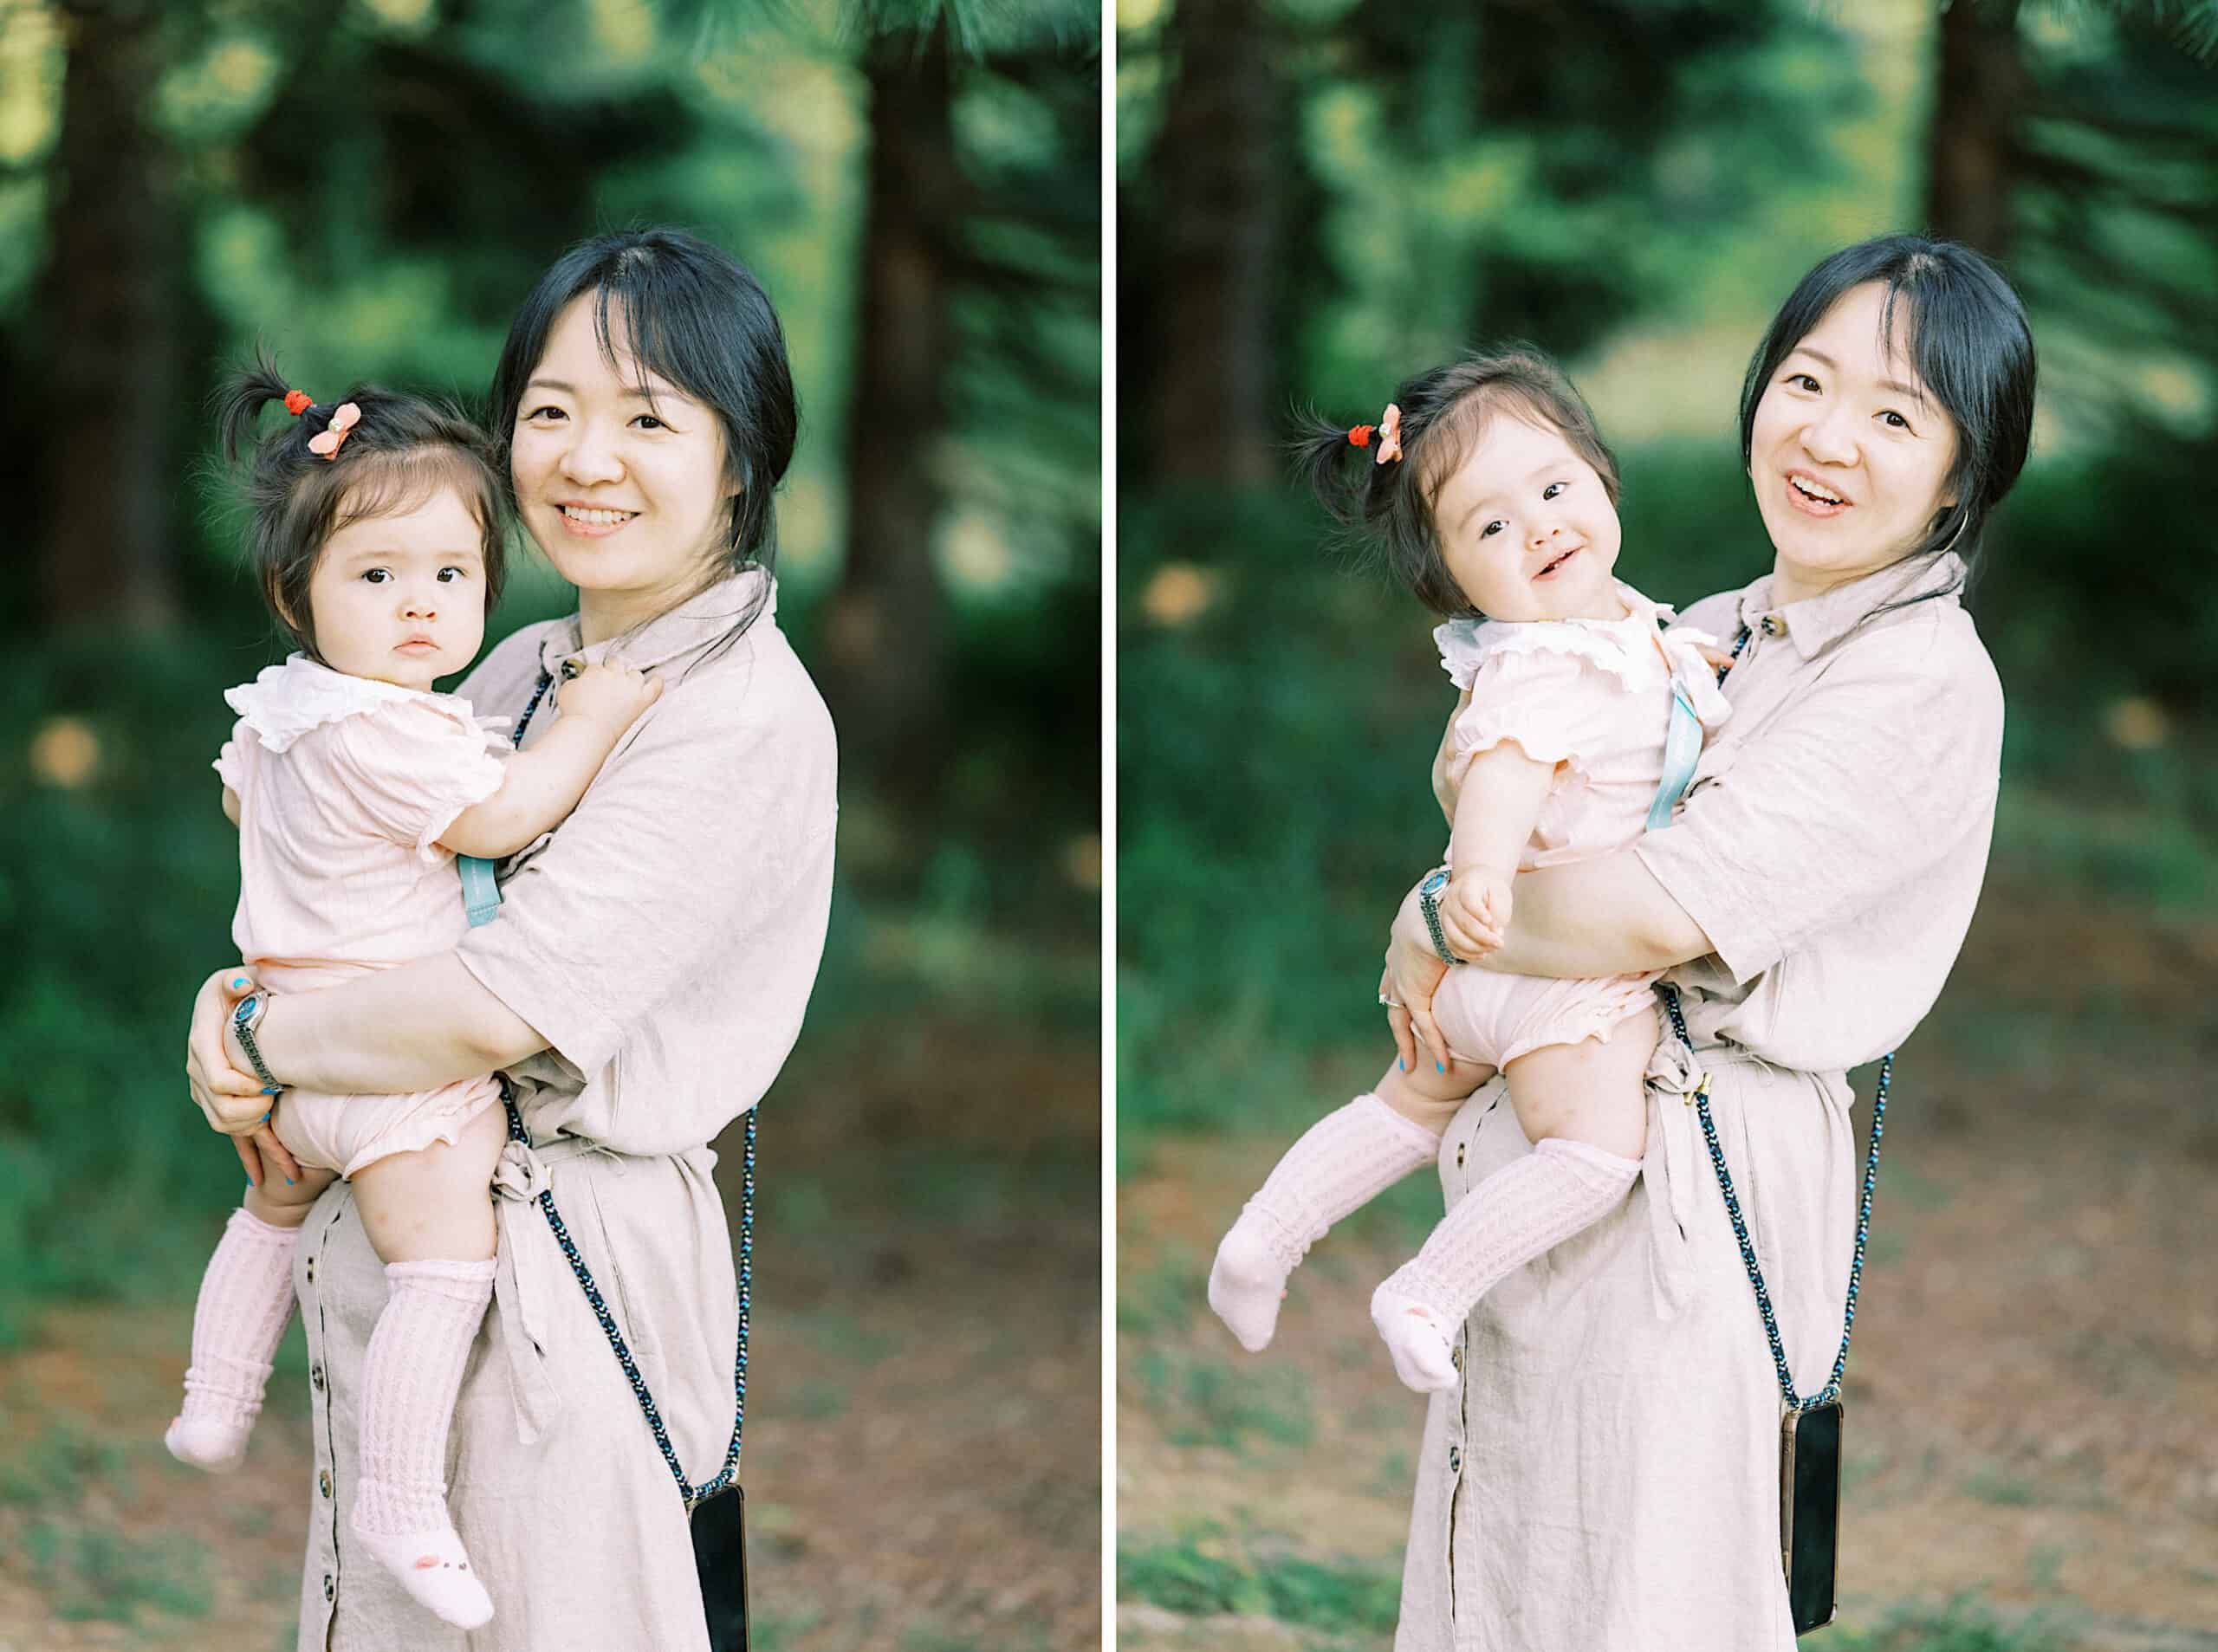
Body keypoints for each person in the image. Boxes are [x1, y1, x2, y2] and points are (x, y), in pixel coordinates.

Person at [1372, 235, 2034, 1649]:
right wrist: (1449, 894)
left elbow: (1657, 907)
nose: (1828, 436)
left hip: (1699, 1174)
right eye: (1805, 380)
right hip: (1563, 1134)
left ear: (1963, 476)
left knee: (1650, 1590)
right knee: (1514, 1573)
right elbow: (1508, 783)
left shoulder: (1919, 680)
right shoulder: (1714, 629)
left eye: (1896, 415)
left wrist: (1438, 916)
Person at [185, 227, 837, 1652]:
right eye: (551, 409)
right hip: (429, 1213)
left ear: (741, 459)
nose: (585, 458)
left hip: (563, 1266)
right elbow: (371, 900)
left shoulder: (735, 713)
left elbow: (502, 1004)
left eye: (648, 417)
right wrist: (238, 992)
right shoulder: (524, 664)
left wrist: (251, 1035)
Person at [168, 356, 660, 1632]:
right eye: (376, 577)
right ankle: (399, 1489)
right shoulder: (388, 730)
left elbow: (240, 804)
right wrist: (591, 724)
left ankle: (214, 1400)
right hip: (394, 1067)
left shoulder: (284, 715)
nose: (422, 609)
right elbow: (500, 812)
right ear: (298, 592)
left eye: (450, 575)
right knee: (443, 1269)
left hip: (288, 1057)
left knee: (271, 1211)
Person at [1205, 348, 1734, 1393]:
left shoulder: (1622, 624)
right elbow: (1502, 766)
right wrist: (1479, 869)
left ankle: (1260, 1239)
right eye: (1491, 525)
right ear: (1451, 579)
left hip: (1479, 970)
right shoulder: (1540, 662)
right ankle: (1428, 1290)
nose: (1537, 525)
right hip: (1558, 971)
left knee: (1405, 1105)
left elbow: (1648, 685)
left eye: (1552, 488)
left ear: (1600, 476)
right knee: (1594, 1153)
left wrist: (1691, 664)